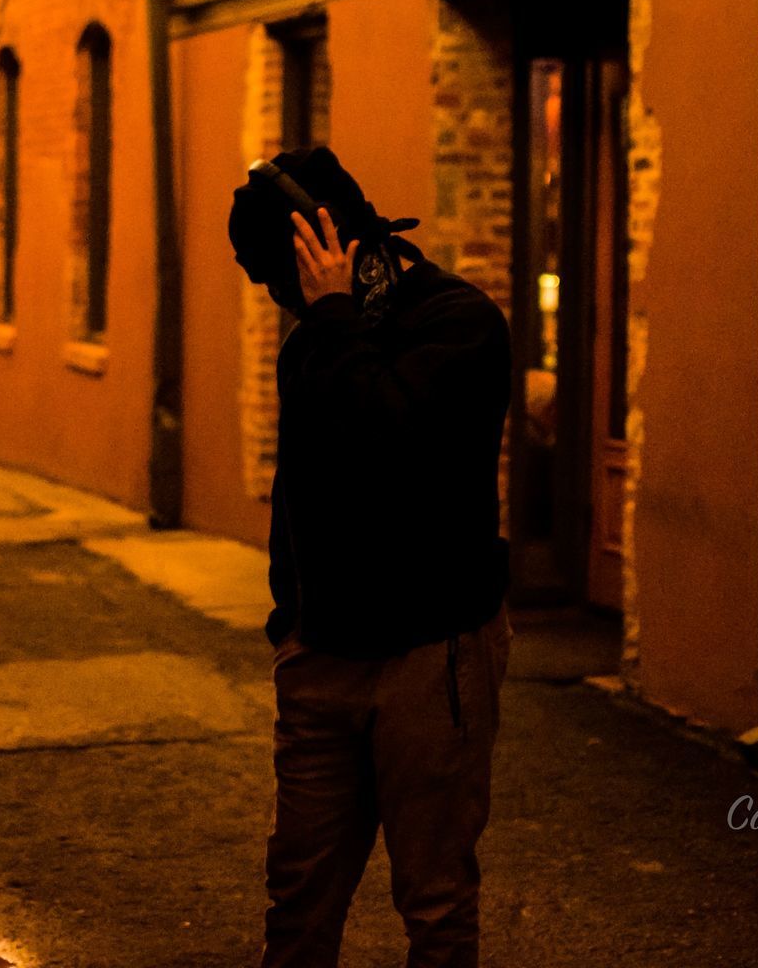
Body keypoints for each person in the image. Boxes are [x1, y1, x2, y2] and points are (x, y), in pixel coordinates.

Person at [228, 145, 514, 968]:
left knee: (433, 896)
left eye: (279, 273)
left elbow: (391, 433)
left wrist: (330, 317)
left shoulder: (457, 324)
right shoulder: (316, 339)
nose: (275, 294)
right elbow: (301, 489)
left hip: (432, 655)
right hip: (323, 657)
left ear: (331, 243)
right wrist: (292, 619)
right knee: (300, 892)